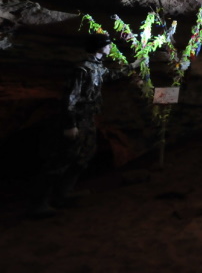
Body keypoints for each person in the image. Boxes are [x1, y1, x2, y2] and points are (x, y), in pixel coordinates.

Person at [30, 33, 135, 217]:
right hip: (77, 120)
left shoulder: (96, 68)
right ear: (100, 47)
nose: (110, 47)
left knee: (83, 156)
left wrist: (136, 64)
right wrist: (70, 124)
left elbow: (112, 75)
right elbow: (69, 98)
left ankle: (62, 195)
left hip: (88, 119)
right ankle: (40, 204)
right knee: (62, 159)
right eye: (108, 45)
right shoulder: (82, 69)